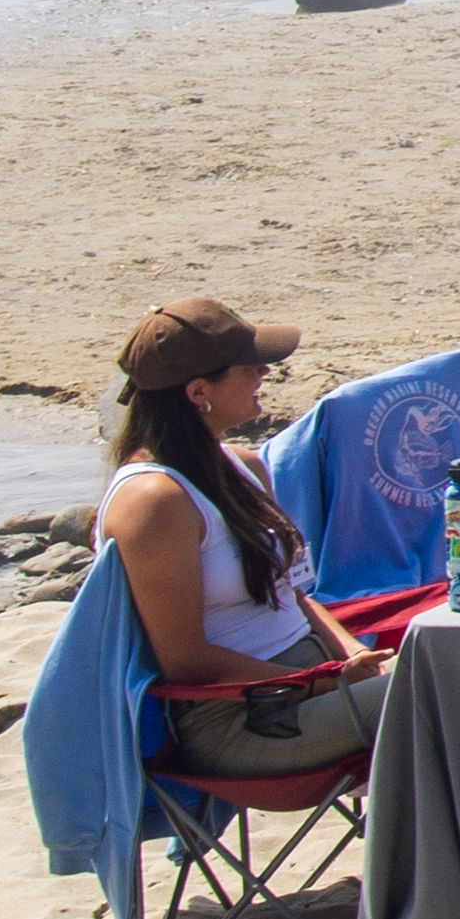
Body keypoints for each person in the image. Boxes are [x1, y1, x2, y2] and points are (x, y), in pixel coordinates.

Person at [96, 296, 389, 775]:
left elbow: (290, 594)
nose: (264, 373)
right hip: (242, 717)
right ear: (198, 392)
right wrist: (322, 680)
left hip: (313, 681)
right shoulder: (155, 502)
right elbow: (186, 662)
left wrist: (352, 652)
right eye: (249, 366)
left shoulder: (244, 466)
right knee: (444, 695)